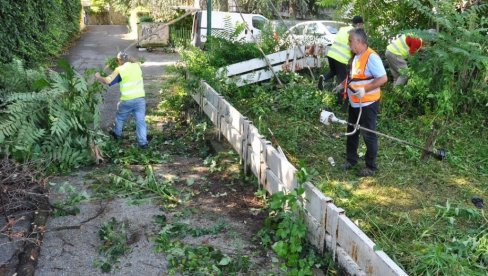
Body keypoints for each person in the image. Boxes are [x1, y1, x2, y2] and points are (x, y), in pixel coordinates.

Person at [335, 28, 387, 177]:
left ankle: (371, 167)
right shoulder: (355, 57)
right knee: (352, 132)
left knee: (368, 134)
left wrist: (365, 89)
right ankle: (351, 160)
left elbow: (383, 79)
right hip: (354, 103)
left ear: (359, 41)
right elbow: (353, 77)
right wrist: (342, 85)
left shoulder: (372, 57)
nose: (348, 44)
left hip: (368, 104)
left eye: (350, 41)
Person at [95, 51, 148, 149]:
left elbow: (108, 81)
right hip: (140, 100)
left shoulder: (120, 70)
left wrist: (98, 77)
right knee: (140, 121)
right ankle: (143, 143)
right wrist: (128, 56)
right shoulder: (136, 66)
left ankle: (117, 135)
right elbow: (136, 60)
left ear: (119, 60)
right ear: (127, 59)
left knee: (120, 118)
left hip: (127, 101)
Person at [318, 15, 364, 105]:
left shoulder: (343, 28)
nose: (362, 26)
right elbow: (355, 48)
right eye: (362, 24)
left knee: (333, 71)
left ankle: (323, 78)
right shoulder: (356, 32)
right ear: (358, 24)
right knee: (343, 80)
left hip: (331, 54)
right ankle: (340, 102)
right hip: (341, 58)